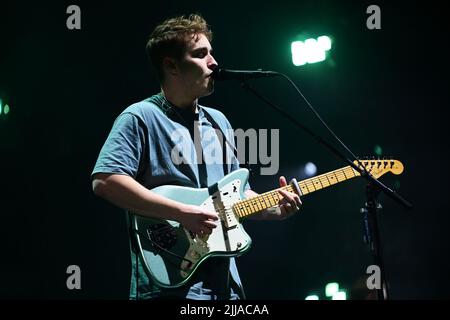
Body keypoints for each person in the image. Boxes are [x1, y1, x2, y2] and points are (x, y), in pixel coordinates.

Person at [91, 13, 302, 300]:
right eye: (201, 54)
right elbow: (105, 181)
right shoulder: (140, 117)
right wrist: (181, 213)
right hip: (168, 287)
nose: (213, 62)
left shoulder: (218, 122)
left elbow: (234, 197)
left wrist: (274, 209)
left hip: (225, 289)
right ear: (171, 65)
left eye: (211, 53)